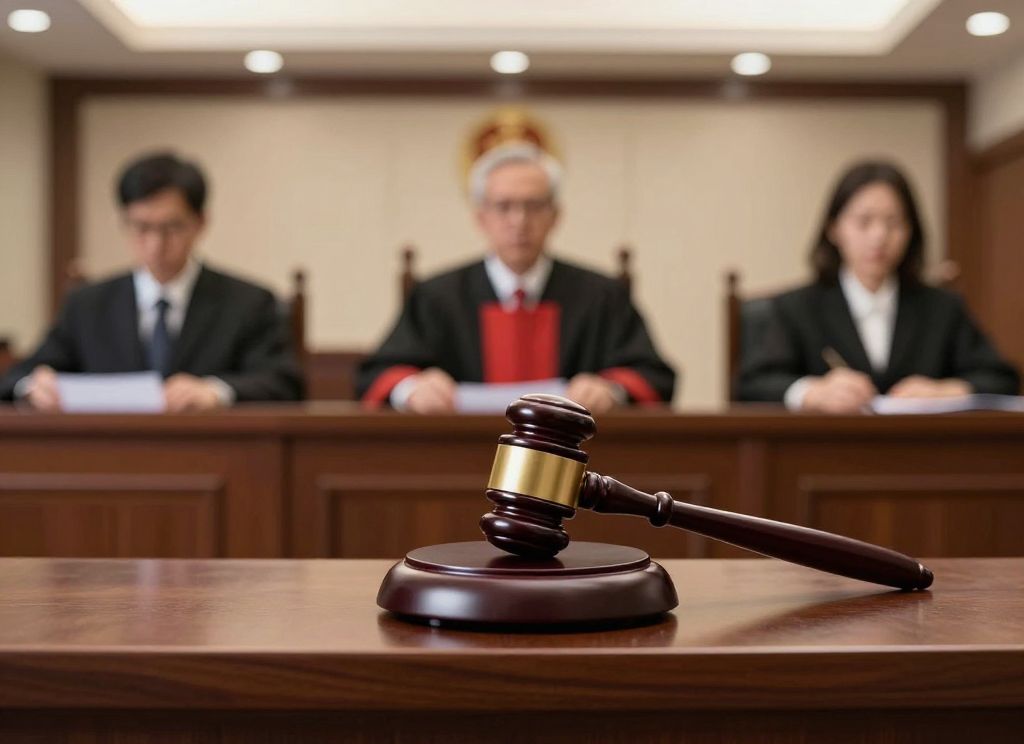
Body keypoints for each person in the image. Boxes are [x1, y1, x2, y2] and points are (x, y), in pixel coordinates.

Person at [357, 143, 676, 414]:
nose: (519, 221)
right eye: (504, 206)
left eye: (533, 206)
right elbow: (377, 377)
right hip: (460, 460)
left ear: (556, 216)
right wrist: (412, 388)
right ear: (481, 217)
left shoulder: (601, 296)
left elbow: (652, 376)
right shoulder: (436, 296)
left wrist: (611, 389)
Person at [0, 151, 304, 409]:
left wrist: (214, 390)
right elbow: (18, 377)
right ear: (124, 222)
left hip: (212, 457)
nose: (156, 243)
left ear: (200, 223)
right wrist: (33, 386)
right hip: (109, 458)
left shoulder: (248, 302)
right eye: (141, 227)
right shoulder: (88, 304)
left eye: (172, 227)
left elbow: (284, 382)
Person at [737, 160, 1019, 412]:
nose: (879, 236)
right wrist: (812, 392)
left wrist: (947, 391)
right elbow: (750, 385)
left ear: (911, 231)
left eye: (893, 222)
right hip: (825, 460)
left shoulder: (942, 308)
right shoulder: (796, 308)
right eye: (864, 221)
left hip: (923, 458)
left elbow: (1002, 378)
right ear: (834, 229)